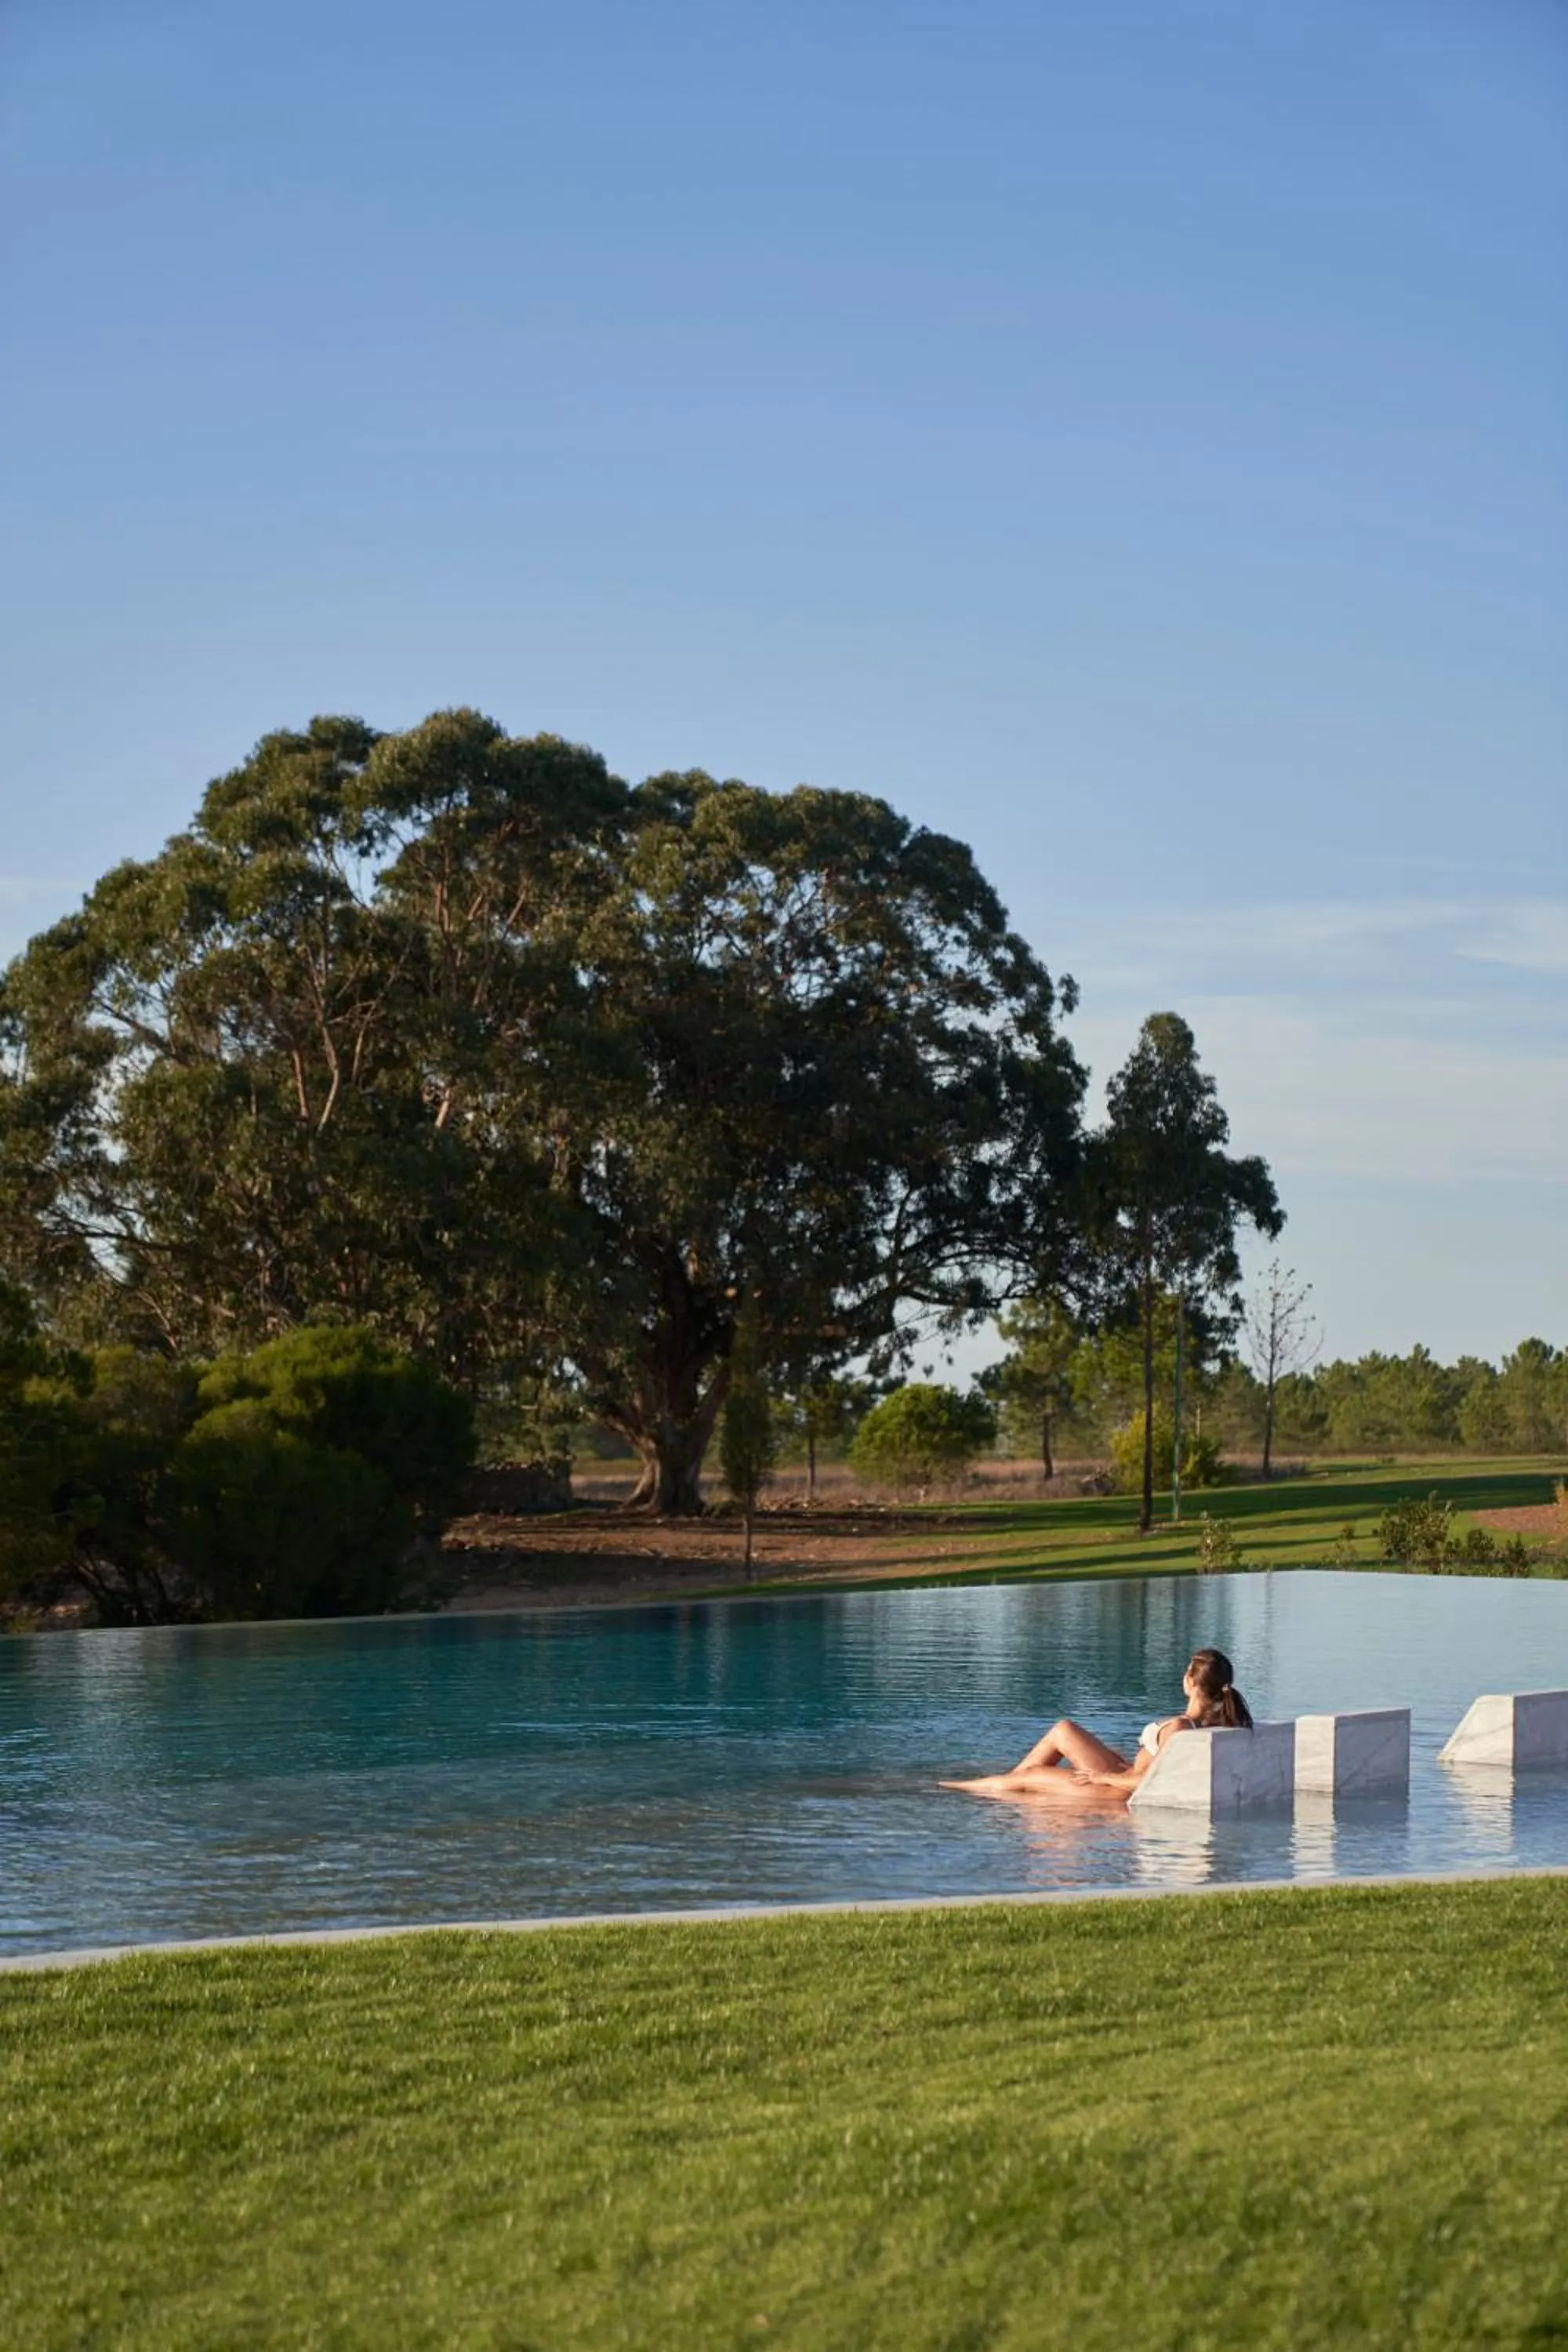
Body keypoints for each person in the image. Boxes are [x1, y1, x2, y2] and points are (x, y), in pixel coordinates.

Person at [944, 1646, 1254, 1801]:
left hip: (1116, 1789)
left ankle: (952, 1788)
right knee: (1063, 1730)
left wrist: (1101, 1777)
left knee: (1027, 1777)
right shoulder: (1218, 1722)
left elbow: (1149, 1782)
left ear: (1190, 1681)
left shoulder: (1180, 1728)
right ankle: (985, 1785)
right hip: (1121, 1774)